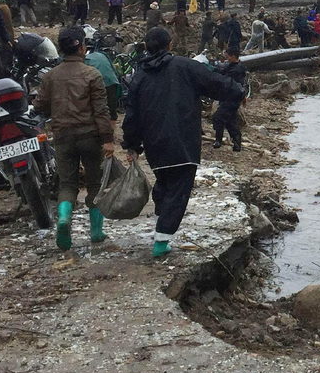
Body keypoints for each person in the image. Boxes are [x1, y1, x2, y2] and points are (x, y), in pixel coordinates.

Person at [122, 27, 245, 257]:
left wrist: (132, 144)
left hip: (154, 143)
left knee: (165, 181)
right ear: (170, 45)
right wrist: (239, 91)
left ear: (146, 48)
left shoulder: (140, 76)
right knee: (179, 189)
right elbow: (215, 82)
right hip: (184, 141)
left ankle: (161, 223)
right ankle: (161, 239)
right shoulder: (185, 66)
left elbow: (132, 115)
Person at [34, 27, 115, 250]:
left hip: (62, 137)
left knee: (67, 185)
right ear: (81, 47)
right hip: (90, 136)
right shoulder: (92, 74)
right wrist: (108, 139)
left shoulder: (50, 76)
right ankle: (96, 232)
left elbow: (39, 105)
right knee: (94, 184)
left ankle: (63, 220)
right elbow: (101, 110)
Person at [212, 48, 247, 151]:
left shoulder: (237, 70)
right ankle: (237, 144)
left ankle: (218, 141)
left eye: (227, 57)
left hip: (233, 98)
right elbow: (223, 71)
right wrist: (212, 68)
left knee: (218, 118)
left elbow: (225, 78)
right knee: (230, 121)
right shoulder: (233, 66)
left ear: (233, 56)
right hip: (228, 97)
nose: (226, 59)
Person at [84, 45, 122, 120]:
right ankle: (112, 130)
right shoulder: (102, 55)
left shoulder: (84, 59)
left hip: (99, 84)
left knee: (99, 111)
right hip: (112, 81)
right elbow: (114, 71)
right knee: (112, 113)